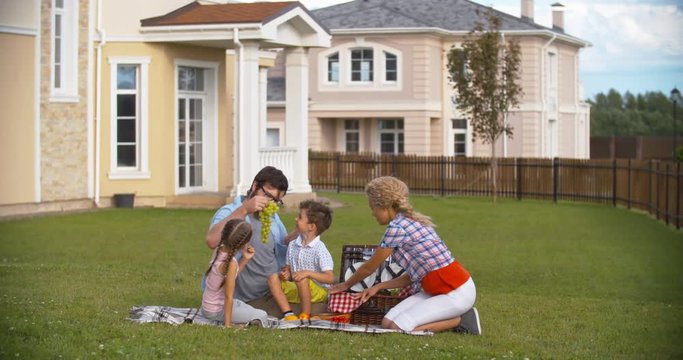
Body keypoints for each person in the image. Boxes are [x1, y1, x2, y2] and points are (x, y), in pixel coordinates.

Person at [330, 176, 481, 334]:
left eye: (372, 207)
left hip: (456, 292)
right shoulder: (407, 220)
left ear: (384, 206)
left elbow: (369, 268)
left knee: (398, 328)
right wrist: (378, 286)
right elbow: (415, 275)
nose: (372, 213)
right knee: (387, 323)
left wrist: (345, 285)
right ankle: (454, 317)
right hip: (436, 290)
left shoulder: (397, 228)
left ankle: (461, 320)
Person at [206, 166, 291, 306]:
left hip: (274, 291)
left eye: (276, 201)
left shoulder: (273, 218)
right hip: (242, 300)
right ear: (255, 185)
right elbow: (211, 241)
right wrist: (244, 210)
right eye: (268, 196)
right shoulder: (230, 212)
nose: (270, 203)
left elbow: (285, 246)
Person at [267, 200, 334, 321]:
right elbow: (288, 268)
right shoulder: (293, 245)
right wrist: (285, 274)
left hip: (318, 292)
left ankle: (305, 315)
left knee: (303, 279)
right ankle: (289, 314)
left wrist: (307, 273)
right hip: (297, 288)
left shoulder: (320, 249)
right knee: (273, 278)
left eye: (300, 217)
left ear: (311, 226)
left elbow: (329, 278)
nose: (295, 219)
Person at [200, 218, 268, 327]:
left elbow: (230, 276)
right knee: (262, 315)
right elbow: (228, 297)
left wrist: (245, 259)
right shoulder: (231, 263)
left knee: (243, 306)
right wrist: (228, 325)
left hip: (208, 307)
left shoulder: (219, 250)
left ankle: (241, 319)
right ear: (244, 243)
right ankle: (236, 323)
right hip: (215, 311)